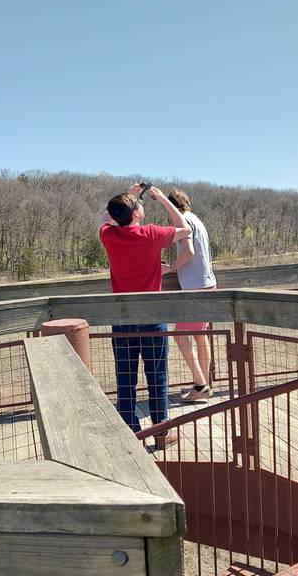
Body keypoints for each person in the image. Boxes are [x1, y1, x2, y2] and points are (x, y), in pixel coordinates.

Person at [99, 184, 192, 448]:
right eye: (139, 205)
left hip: (122, 317)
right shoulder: (151, 234)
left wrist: (129, 196)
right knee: (157, 377)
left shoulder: (109, 235)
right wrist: (163, 199)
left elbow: (105, 219)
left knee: (125, 378)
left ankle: (130, 432)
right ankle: (161, 432)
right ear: (137, 214)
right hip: (152, 317)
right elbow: (185, 228)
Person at [163, 189, 217, 402]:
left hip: (196, 288)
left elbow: (189, 253)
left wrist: (171, 268)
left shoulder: (183, 221)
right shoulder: (195, 218)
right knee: (200, 337)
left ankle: (201, 385)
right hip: (207, 284)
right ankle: (203, 384)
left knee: (180, 336)